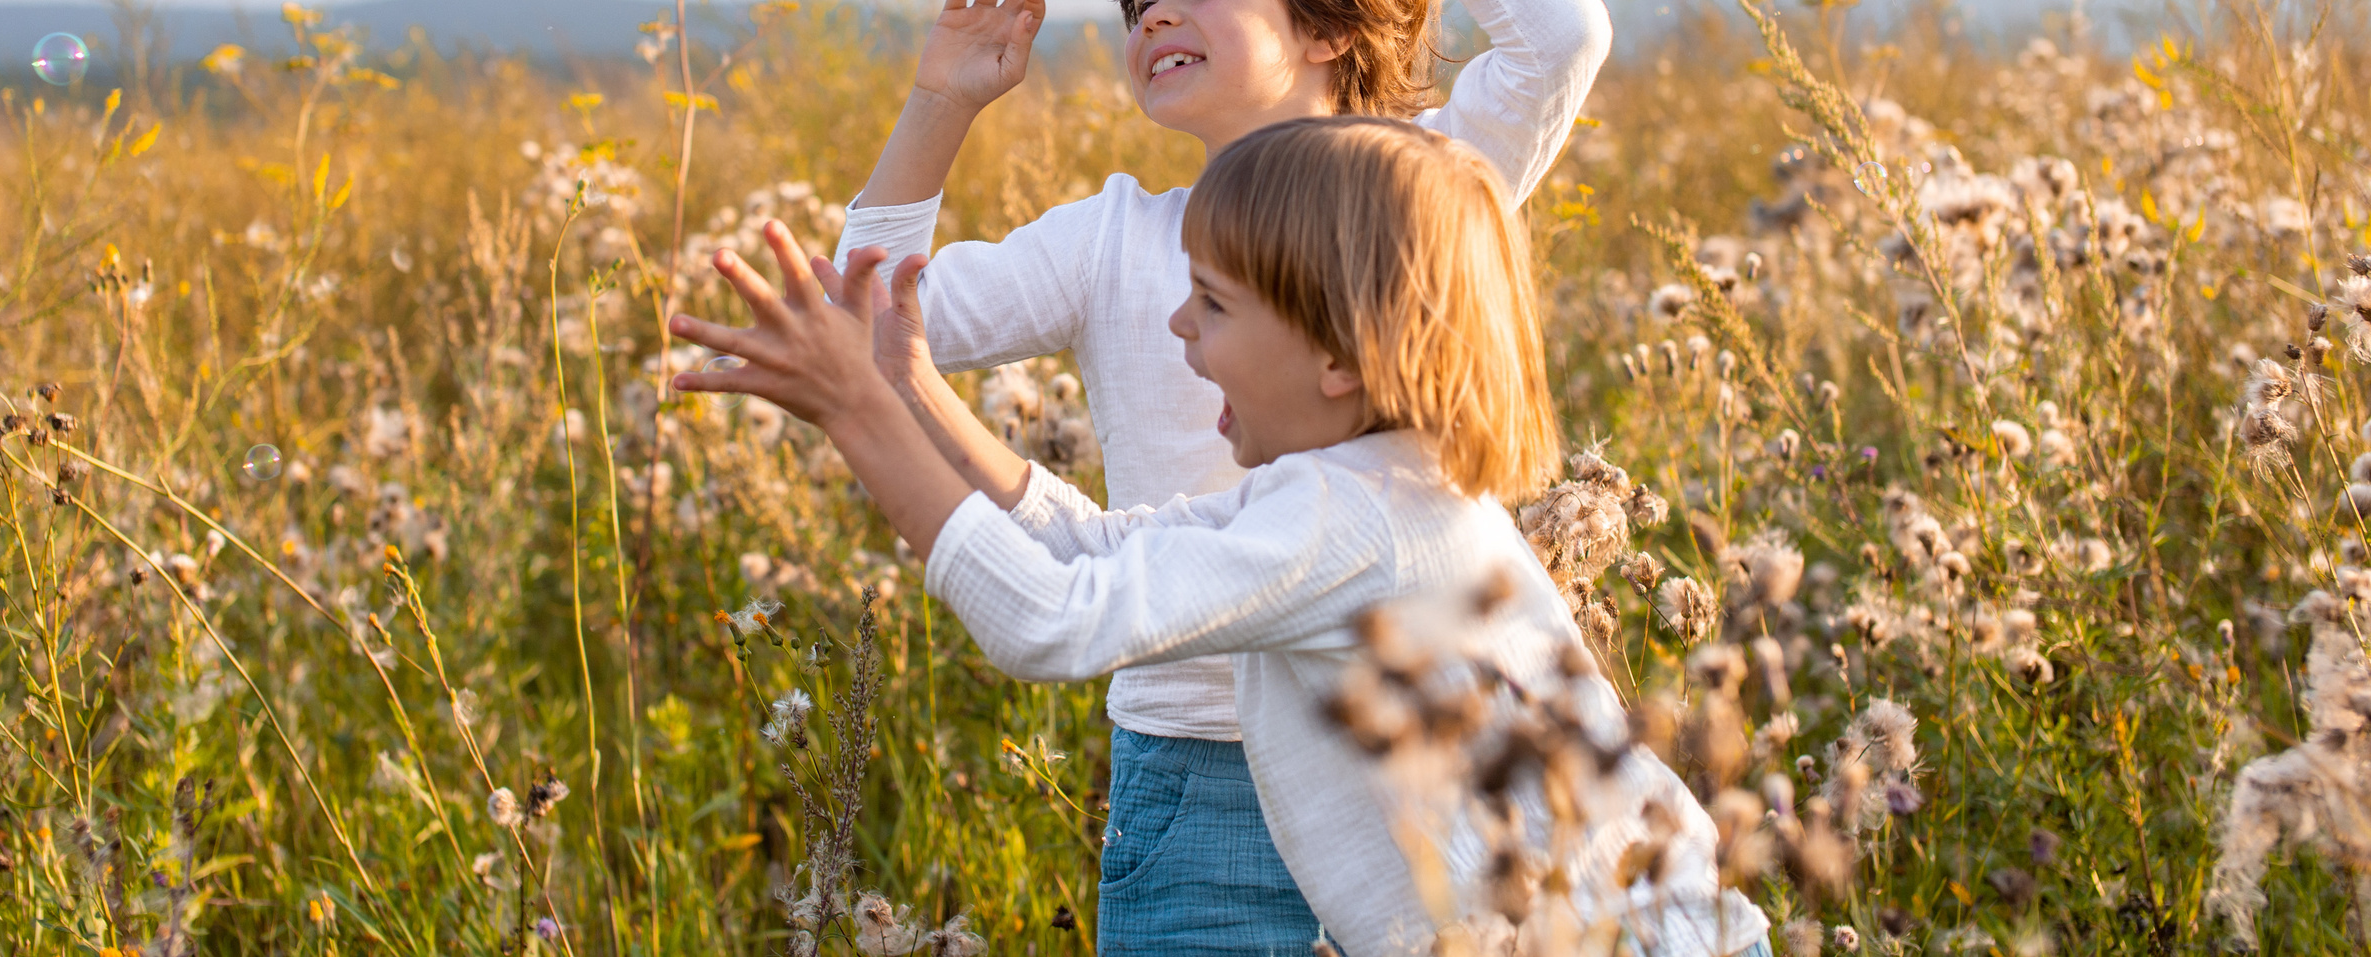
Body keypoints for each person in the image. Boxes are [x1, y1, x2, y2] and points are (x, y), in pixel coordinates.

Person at [833, 0, 1614, 945]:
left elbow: (1557, 36)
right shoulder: (1109, 240)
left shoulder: (1409, 196)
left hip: (1414, 762)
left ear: (1325, 24)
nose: (1158, 12)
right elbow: (871, 316)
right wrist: (939, 103)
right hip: (1200, 778)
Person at [670, 117, 1769, 957]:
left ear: (1340, 354)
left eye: (1213, 301)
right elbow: (1101, 552)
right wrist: (909, 383)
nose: (1177, 323)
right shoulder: (1375, 485)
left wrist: (857, 414)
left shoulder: (1347, 516)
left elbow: (1051, 619)